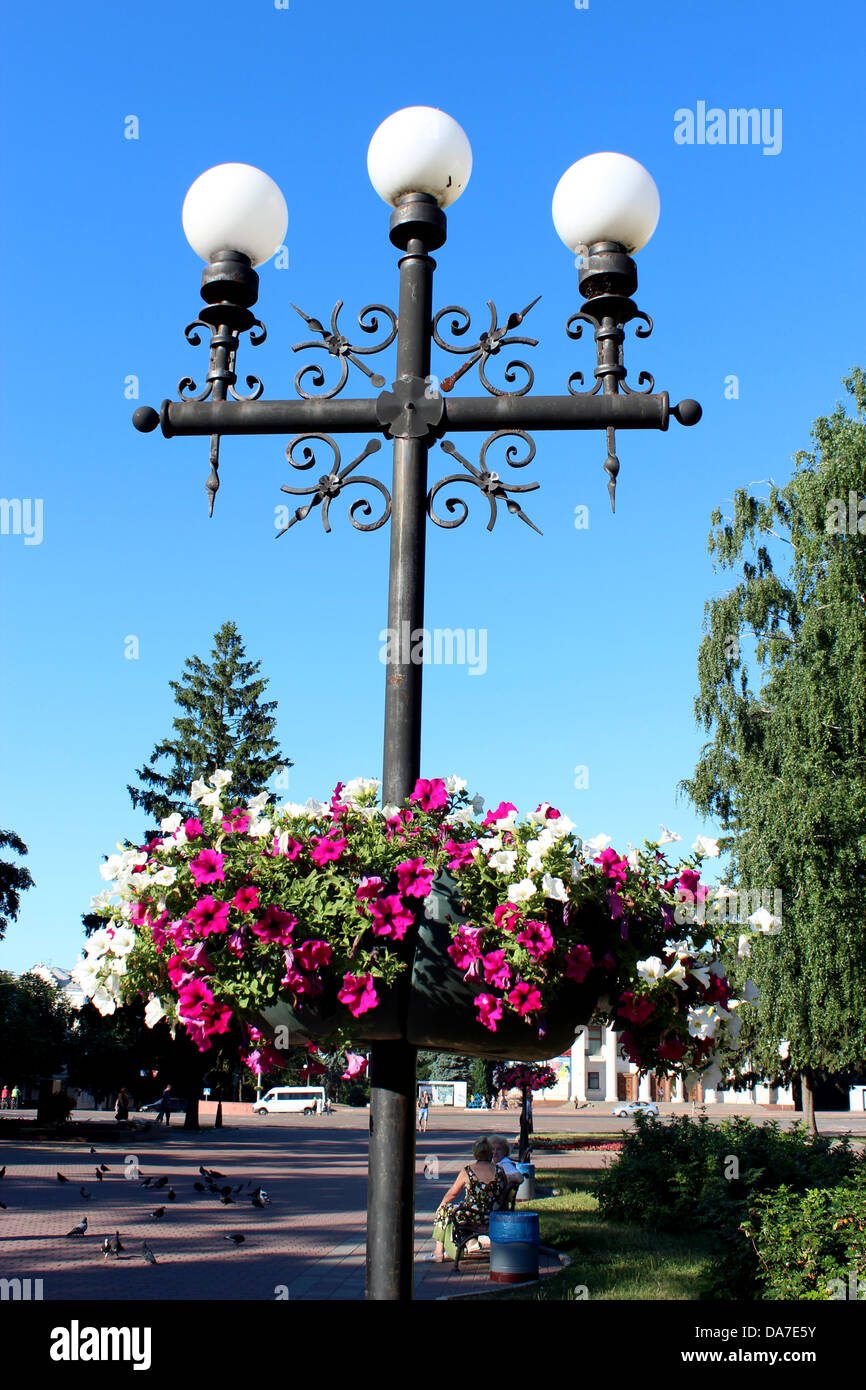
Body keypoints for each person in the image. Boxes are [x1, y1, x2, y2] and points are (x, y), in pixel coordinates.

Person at [431, 1137, 506, 1262]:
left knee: (444, 1210)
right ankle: (470, 1242)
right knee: (452, 1210)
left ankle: (438, 1252)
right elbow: (503, 1193)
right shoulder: (499, 1171)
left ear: (475, 1153)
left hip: (471, 1215)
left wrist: (442, 1203)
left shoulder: (468, 1171)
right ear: (489, 1153)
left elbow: (453, 1193)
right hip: (493, 1215)